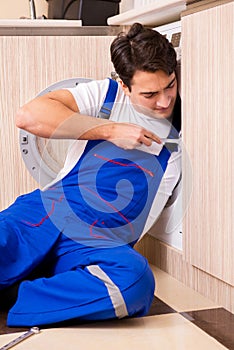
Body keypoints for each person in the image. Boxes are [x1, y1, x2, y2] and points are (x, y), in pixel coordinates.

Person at [0, 23, 181, 327]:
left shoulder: (180, 142)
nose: (164, 102)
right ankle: (47, 291)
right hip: (43, 213)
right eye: (150, 93)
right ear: (125, 86)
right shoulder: (105, 96)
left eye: (171, 86)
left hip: (95, 241)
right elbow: (29, 115)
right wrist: (110, 130)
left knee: (135, 281)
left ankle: (16, 294)